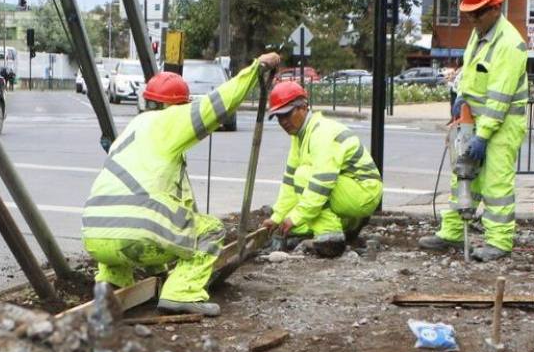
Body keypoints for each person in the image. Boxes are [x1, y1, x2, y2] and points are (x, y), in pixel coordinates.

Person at [82, 51, 281, 316]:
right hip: (139, 227)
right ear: (178, 105)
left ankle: (111, 284)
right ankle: (181, 294)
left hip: (95, 232)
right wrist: (256, 69)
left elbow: (175, 202)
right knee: (209, 231)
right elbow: (217, 104)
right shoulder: (169, 120)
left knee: (141, 231)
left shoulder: (131, 131)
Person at [420, 0, 527, 261]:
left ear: (495, 7)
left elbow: (499, 98)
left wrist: (483, 135)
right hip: (475, 120)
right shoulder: (479, 34)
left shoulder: (509, 45)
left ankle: (499, 242)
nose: (473, 19)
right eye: (470, 13)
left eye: (478, 13)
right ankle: (453, 232)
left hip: (502, 125)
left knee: (495, 184)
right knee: (463, 178)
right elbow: (470, 70)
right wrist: (462, 98)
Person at [264, 78, 383, 258]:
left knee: (305, 178)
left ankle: (331, 239)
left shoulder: (321, 133)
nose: (283, 121)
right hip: (350, 190)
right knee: (299, 220)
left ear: (303, 107)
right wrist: (277, 217)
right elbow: (289, 182)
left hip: (364, 192)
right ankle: (350, 224)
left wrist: (294, 217)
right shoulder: (299, 136)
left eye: (287, 114)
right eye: (279, 116)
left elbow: (321, 183)